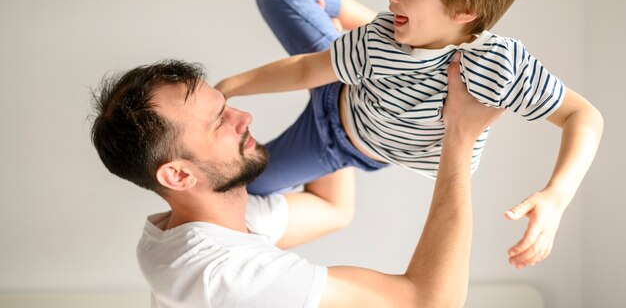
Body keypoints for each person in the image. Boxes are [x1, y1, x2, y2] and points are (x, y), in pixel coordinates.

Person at [215, 0, 604, 269]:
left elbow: (583, 116)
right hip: (343, 81)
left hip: (334, 142)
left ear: (464, 10)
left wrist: (556, 197)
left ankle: (372, 46)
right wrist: (229, 87)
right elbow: (305, 71)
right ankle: (363, 40)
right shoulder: (381, 37)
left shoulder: (499, 66)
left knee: (243, 187)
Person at [90, 55, 503, 307]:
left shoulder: (191, 227)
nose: (244, 118)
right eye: (220, 122)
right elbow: (430, 303)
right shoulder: (226, 279)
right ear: (178, 174)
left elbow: (331, 209)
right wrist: (459, 139)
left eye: (226, 106)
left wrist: (342, 100)